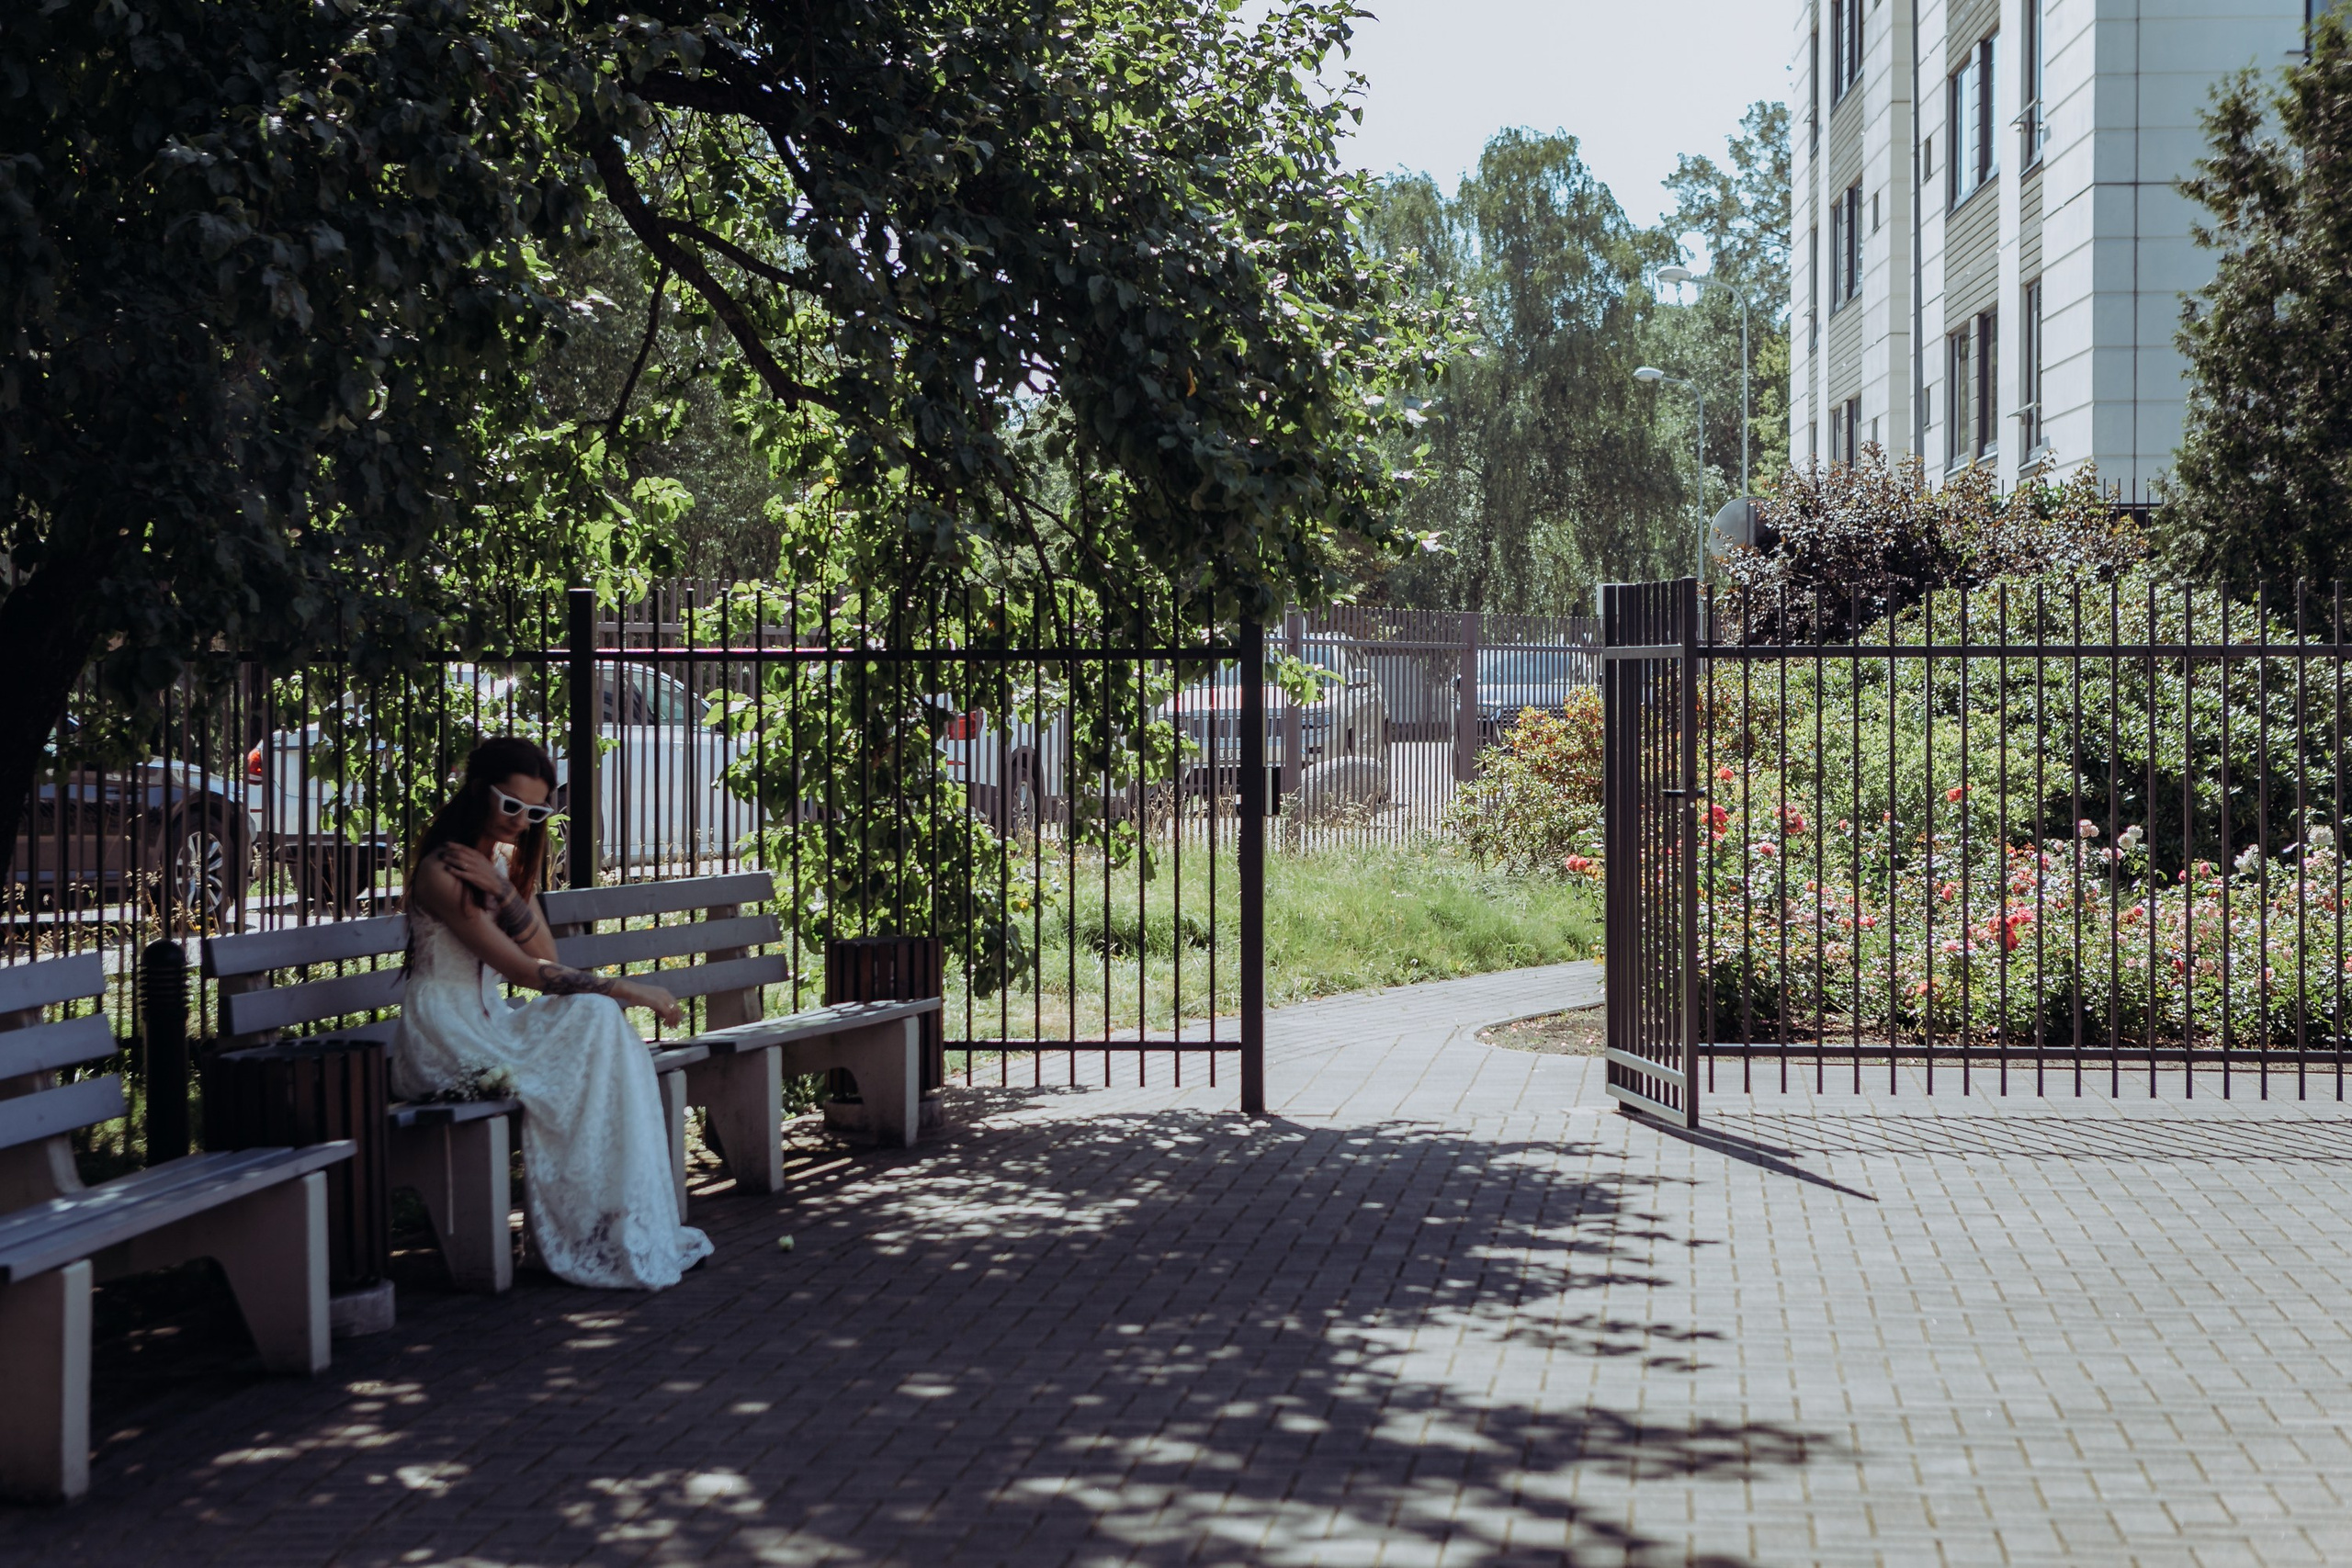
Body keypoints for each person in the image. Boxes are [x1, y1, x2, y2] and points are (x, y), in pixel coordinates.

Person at [394, 737, 712, 1289]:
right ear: (478, 792)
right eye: (511, 805)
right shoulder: (442, 872)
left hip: (489, 1024)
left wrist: (504, 888)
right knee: (598, 1016)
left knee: (594, 1021)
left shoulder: (489, 864)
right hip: (445, 1037)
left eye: (536, 811)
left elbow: (547, 957)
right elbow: (523, 972)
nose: (522, 821)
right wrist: (629, 990)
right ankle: (583, 1226)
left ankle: (609, 1222)